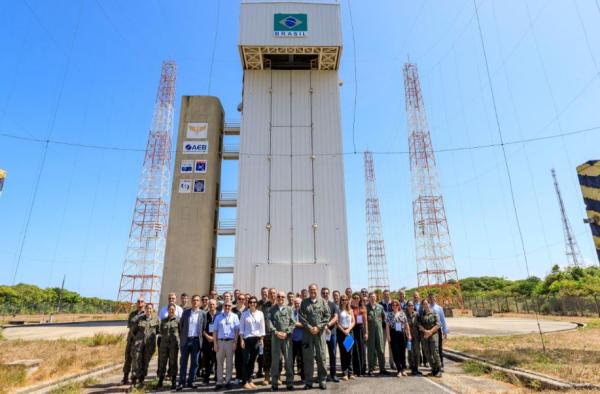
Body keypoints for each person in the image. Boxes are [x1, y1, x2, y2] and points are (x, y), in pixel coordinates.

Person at [299, 283, 331, 390]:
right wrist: (309, 327)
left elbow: (327, 316)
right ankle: (309, 381)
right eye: (311, 289)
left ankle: (322, 380)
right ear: (308, 291)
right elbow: (301, 317)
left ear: (317, 290)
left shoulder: (323, 302)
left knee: (321, 357)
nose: (313, 291)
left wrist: (318, 327)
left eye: (314, 289)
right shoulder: (304, 303)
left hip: (320, 333)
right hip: (308, 334)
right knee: (308, 358)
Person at [178, 295, 207, 390]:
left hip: (196, 341)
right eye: (194, 300)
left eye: (197, 300)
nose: (195, 302)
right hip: (186, 340)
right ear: (191, 301)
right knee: (183, 362)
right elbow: (181, 326)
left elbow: (204, 327)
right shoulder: (186, 312)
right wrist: (182, 337)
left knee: (195, 363)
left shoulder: (203, 313)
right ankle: (181, 382)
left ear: (199, 302)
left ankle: (192, 381)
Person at [268, 291, 296, 391]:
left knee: (288, 361)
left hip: (287, 338)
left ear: (285, 298)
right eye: (279, 296)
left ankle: (289, 383)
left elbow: (293, 323)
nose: (280, 298)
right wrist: (276, 332)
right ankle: (274, 384)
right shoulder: (272, 309)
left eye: (282, 297)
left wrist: (286, 332)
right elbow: (269, 322)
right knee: (275, 361)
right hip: (276, 338)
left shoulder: (289, 309)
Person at [239, 296, 265, 389]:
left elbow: (262, 328)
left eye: (254, 302)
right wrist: (241, 340)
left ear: (256, 303)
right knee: (245, 360)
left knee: (253, 360)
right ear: (248, 304)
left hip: (257, 340)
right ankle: (244, 381)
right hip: (247, 339)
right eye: (251, 302)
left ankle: (250, 380)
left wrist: (261, 339)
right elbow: (241, 329)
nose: (253, 303)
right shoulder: (244, 314)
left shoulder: (260, 313)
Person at [130, 303, 159, 387]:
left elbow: (158, 331)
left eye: (150, 309)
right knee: (137, 362)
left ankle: (141, 380)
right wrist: (138, 339)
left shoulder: (156, 320)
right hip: (138, 345)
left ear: (152, 310)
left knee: (146, 362)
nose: (149, 310)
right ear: (145, 309)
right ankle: (134, 379)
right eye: (147, 308)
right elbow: (133, 331)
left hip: (149, 346)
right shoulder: (139, 319)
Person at [214, 300, 240, 389]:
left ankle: (228, 381)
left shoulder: (235, 316)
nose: (227, 307)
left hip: (230, 342)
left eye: (229, 306)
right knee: (219, 363)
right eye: (226, 305)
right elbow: (215, 331)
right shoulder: (218, 317)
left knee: (229, 363)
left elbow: (237, 330)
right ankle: (219, 381)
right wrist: (215, 343)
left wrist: (235, 342)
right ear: (223, 306)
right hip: (220, 342)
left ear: (231, 307)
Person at [385, 299, 411, 377]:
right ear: (391, 306)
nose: (395, 306)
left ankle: (403, 369)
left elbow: (406, 325)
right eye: (393, 305)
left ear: (399, 306)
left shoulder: (402, 314)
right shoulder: (389, 315)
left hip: (401, 333)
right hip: (393, 334)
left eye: (396, 305)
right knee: (395, 352)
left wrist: (409, 334)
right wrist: (388, 336)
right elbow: (387, 326)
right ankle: (399, 370)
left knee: (402, 352)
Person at [122, 297, 145, 385]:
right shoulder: (132, 314)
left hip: (138, 341)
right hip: (130, 339)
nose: (139, 303)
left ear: (144, 303)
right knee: (127, 358)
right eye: (138, 301)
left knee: (136, 360)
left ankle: (135, 378)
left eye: (141, 301)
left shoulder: (145, 314)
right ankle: (125, 377)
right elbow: (129, 326)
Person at [158, 303, 180, 389]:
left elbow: (181, 333)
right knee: (162, 363)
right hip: (164, 345)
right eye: (170, 309)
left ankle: (173, 381)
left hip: (173, 346)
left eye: (173, 309)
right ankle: (160, 380)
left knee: (173, 363)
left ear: (175, 310)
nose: (171, 310)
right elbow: (160, 332)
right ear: (167, 310)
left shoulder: (178, 321)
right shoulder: (163, 321)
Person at [366, 292, 388, 376]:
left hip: (379, 332)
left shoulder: (380, 307)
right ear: (369, 298)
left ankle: (382, 368)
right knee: (371, 351)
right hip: (370, 332)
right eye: (371, 297)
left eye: (374, 297)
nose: (373, 298)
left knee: (381, 349)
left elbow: (384, 319)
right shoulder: (366, 307)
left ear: (376, 298)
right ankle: (370, 369)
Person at [418, 300, 442, 377]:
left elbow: (438, 325)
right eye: (423, 304)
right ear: (422, 305)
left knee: (435, 352)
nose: (425, 305)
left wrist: (430, 332)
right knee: (427, 353)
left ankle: (439, 369)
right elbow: (419, 325)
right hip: (424, 336)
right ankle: (433, 369)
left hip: (433, 335)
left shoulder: (434, 313)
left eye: (426, 303)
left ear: (428, 304)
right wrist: (425, 331)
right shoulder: (421, 315)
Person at [321, 287, 340, 382]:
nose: (325, 294)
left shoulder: (333, 305)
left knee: (333, 354)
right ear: (321, 294)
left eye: (327, 293)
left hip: (332, 333)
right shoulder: (318, 305)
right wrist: (323, 327)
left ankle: (333, 374)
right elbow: (316, 319)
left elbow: (336, 318)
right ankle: (322, 375)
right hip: (321, 334)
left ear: (329, 294)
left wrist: (327, 326)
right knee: (321, 355)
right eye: (323, 293)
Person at [259, 288, 277, 386]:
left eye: (274, 293)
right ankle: (266, 377)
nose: (272, 295)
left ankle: (277, 376)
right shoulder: (263, 306)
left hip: (278, 335)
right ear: (268, 295)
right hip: (267, 335)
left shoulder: (280, 305)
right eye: (270, 293)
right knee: (267, 356)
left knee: (278, 357)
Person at [336, 294, 355, 380]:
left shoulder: (350, 310)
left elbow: (353, 321)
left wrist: (348, 330)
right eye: (342, 299)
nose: (344, 301)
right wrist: (344, 331)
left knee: (349, 353)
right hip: (341, 333)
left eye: (346, 299)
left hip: (349, 333)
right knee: (343, 353)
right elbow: (337, 323)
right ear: (340, 301)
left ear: (348, 300)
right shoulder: (338, 310)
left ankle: (350, 373)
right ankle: (345, 373)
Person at [427, 294, 448, 370]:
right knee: (431, 348)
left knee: (438, 347)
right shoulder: (427, 307)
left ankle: (441, 364)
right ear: (428, 299)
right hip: (429, 330)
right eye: (430, 298)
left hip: (437, 329)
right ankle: (433, 365)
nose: (432, 299)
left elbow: (443, 320)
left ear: (435, 298)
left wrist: (445, 331)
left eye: (433, 298)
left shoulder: (439, 308)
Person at [350, 293, 368, 377]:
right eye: (354, 298)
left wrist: (366, 332)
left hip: (360, 330)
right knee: (352, 349)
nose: (356, 299)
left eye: (358, 298)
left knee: (361, 349)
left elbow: (365, 322)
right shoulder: (349, 308)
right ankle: (353, 370)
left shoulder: (363, 308)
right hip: (351, 329)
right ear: (352, 298)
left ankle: (361, 370)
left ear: (360, 299)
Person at [201, 299, 218, 385]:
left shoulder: (219, 315)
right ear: (208, 305)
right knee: (206, 360)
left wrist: (214, 338)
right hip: (207, 341)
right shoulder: (204, 315)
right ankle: (206, 377)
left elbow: (221, 329)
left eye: (213, 304)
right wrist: (208, 337)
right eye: (210, 304)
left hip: (217, 341)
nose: (212, 306)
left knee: (217, 360)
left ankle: (217, 377)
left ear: (216, 305)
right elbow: (201, 328)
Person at [379, 290, 395, 371]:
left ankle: (392, 363)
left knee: (391, 346)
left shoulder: (393, 303)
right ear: (383, 295)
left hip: (392, 328)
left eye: (388, 294)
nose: (386, 296)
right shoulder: (380, 304)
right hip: (383, 328)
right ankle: (382, 364)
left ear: (390, 295)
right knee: (382, 346)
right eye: (385, 295)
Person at [233, 294, 248, 384]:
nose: (241, 300)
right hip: (236, 337)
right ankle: (238, 377)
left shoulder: (248, 310)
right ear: (237, 300)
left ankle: (245, 377)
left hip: (246, 338)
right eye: (240, 299)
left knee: (245, 358)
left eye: (243, 299)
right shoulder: (233, 310)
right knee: (238, 358)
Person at [405, 301, 422, 376]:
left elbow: (420, 324)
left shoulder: (417, 314)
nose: (410, 306)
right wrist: (407, 335)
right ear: (407, 306)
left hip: (416, 335)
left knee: (417, 351)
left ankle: (416, 367)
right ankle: (412, 367)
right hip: (408, 335)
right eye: (409, 305)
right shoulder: (404, 314)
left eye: (412, 305)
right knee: (410, 351)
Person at [256, 286, 269, 379]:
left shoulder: (271, 303)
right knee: (260, 353)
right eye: (263, 292)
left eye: (266, 292)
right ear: (261, 293)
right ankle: (260, 370)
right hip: (259, 333)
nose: (264, 293)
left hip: (269, 332)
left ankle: (268, 371)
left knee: (269, 353)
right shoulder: (258, 304)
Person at [291, 297, 305, 383]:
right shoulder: (291, 312)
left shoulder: (304, 313)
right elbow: (288, 323)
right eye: (295, 303)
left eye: (298, 303)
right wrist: (299, 324)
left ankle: (303, 377)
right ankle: (291, 378)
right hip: (292, 340)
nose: (297, 304)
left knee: (303, 360)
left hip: (302, 340)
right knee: (291, 360)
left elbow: (305, 324)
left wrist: (295, 323)